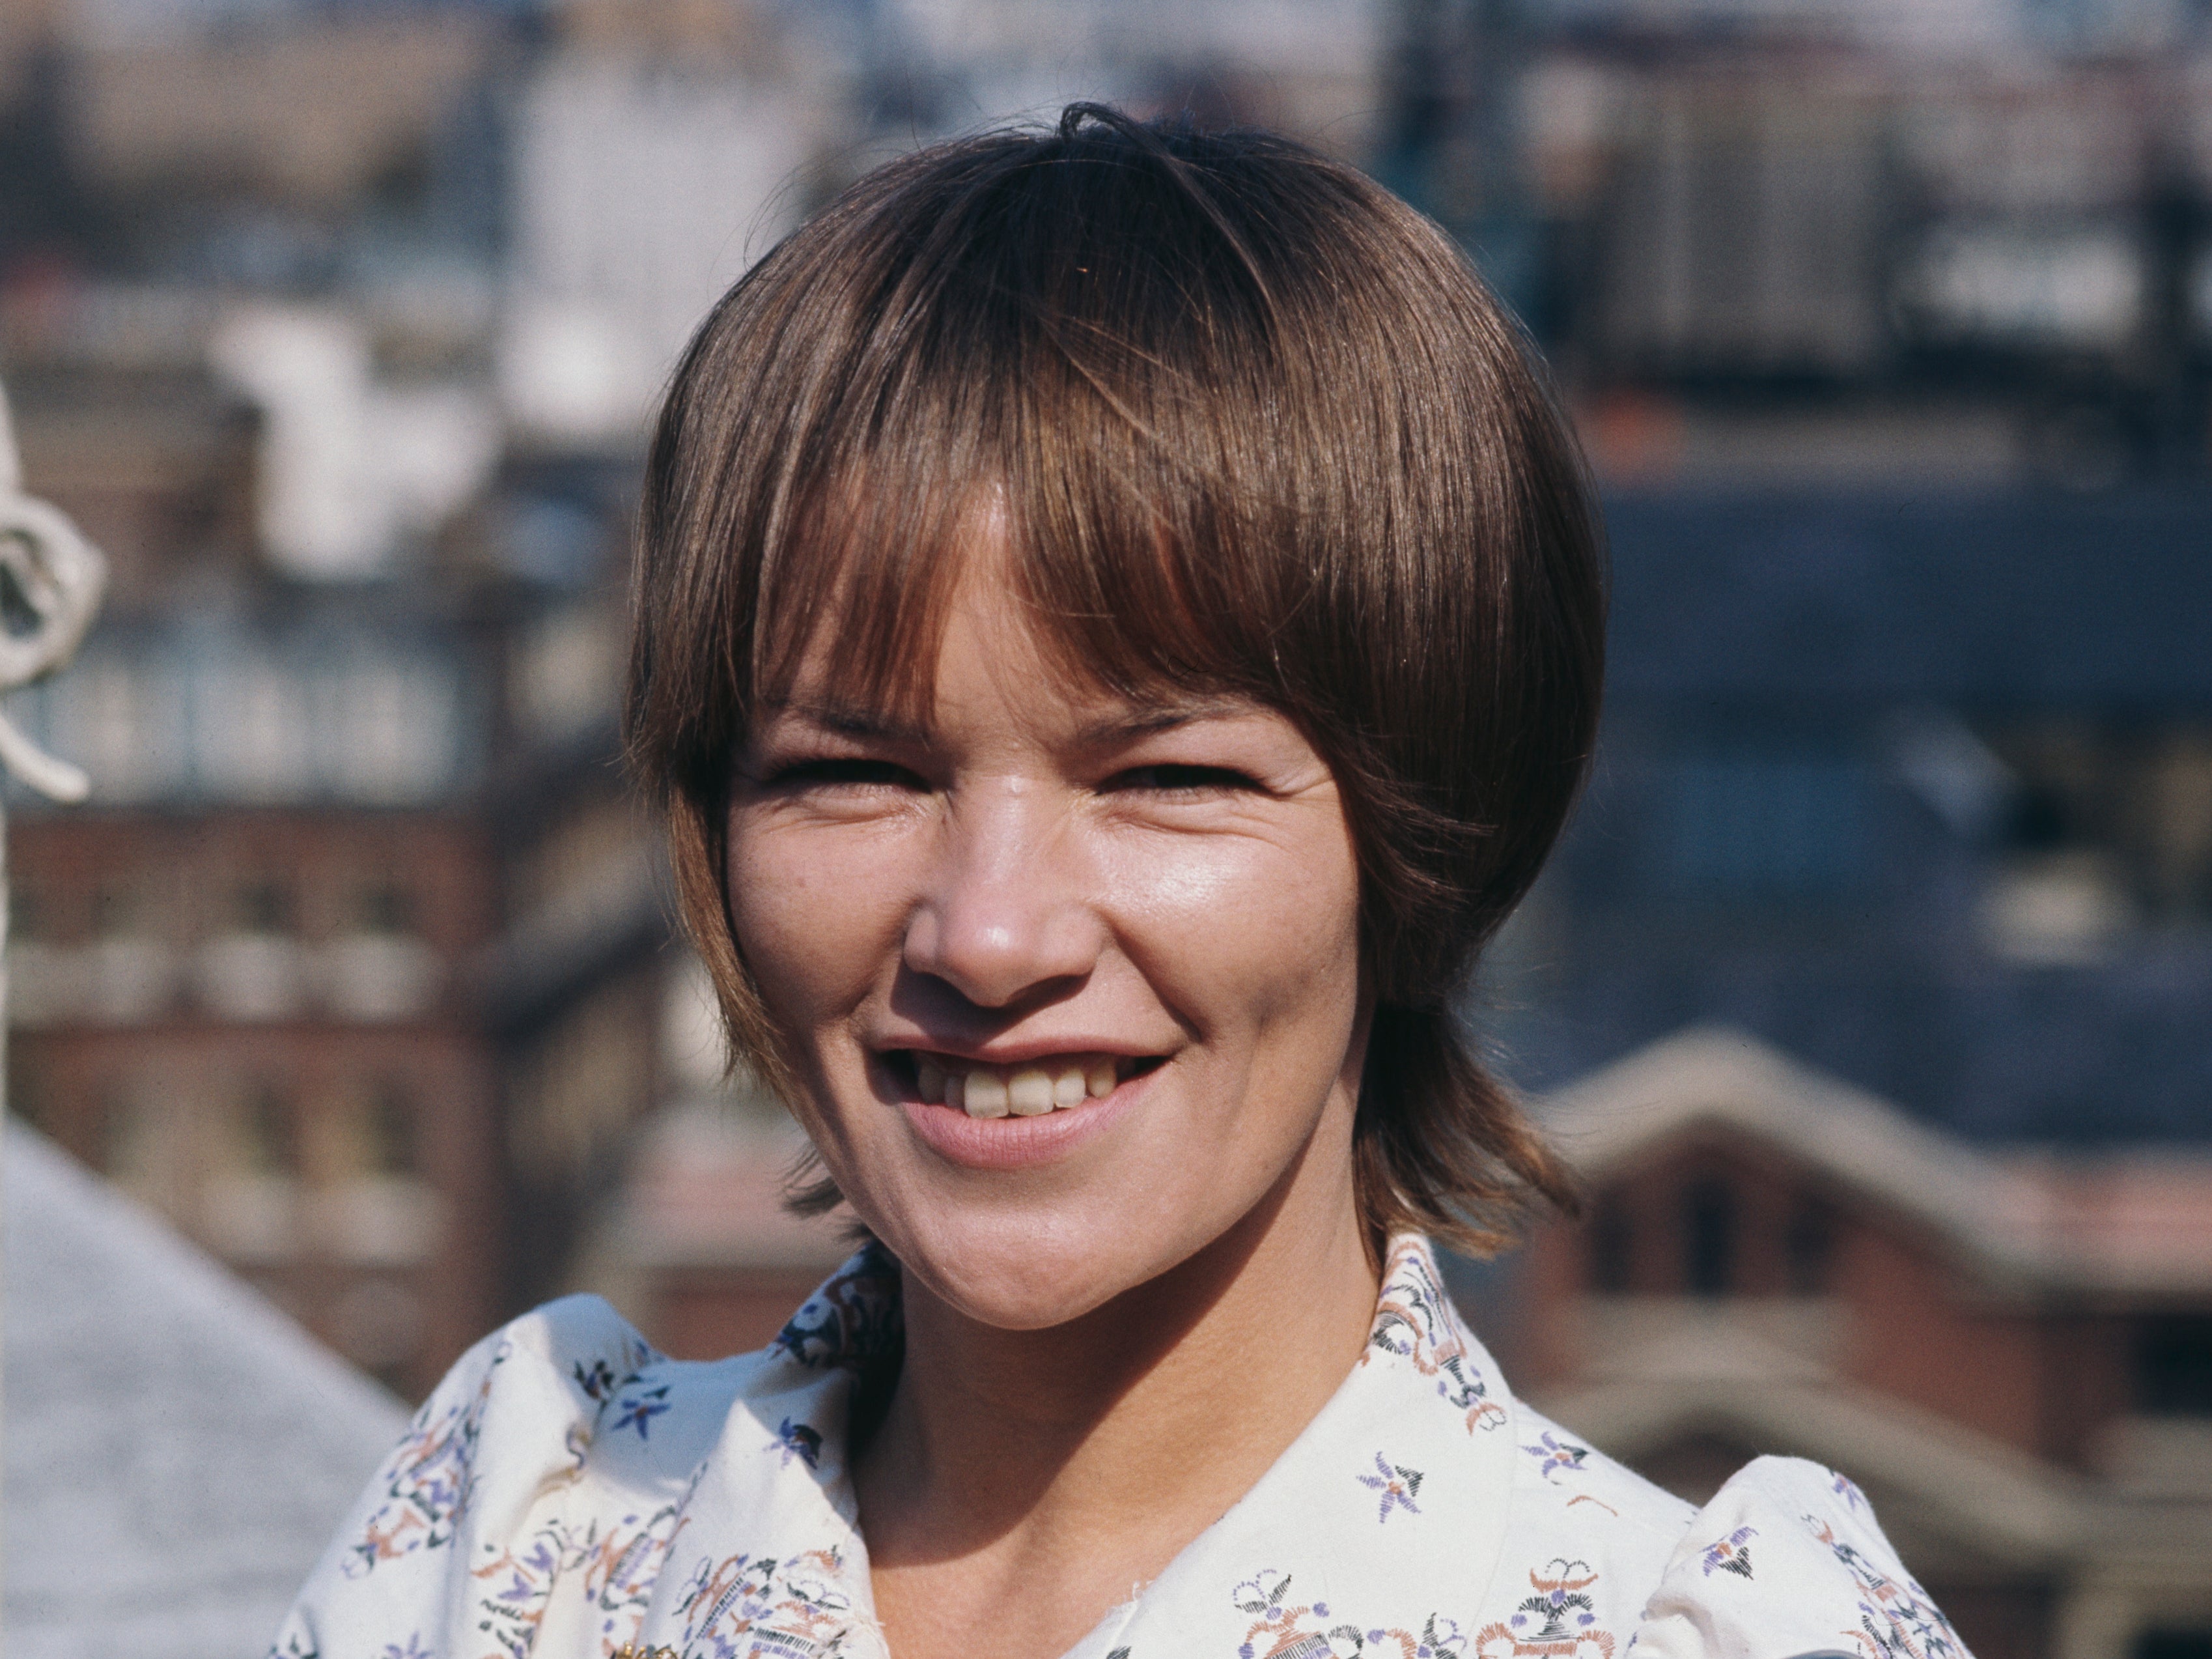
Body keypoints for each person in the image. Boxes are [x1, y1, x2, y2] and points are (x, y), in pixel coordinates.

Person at [273, 106, 1972, 1659]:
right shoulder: (528, 1541)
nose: (989, 931)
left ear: (1423, 838)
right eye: (855, 773)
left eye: (1167, 779)